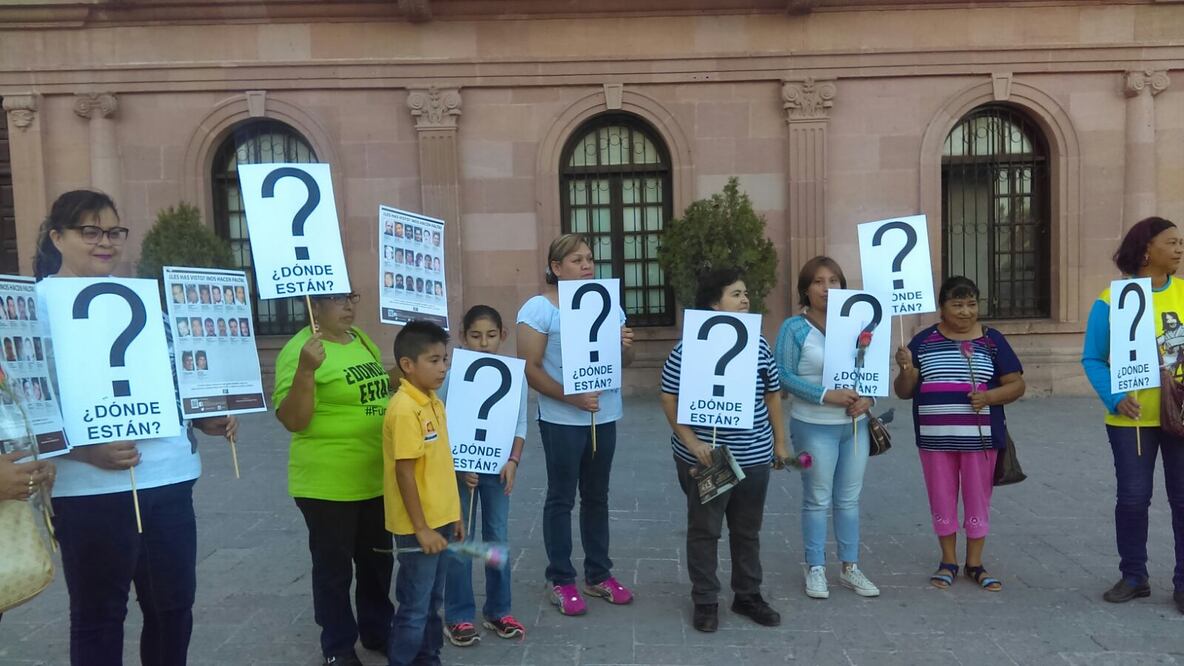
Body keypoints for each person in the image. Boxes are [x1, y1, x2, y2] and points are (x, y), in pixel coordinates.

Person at [33, 189, 237, 665]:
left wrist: (204, 416)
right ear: (57, 237)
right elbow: (25, 404)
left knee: (173, 610)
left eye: (114, 231)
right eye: (90, 231)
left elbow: (172, 378)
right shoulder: (35, 306)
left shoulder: (141, 299)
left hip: (167, 479)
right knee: (99, 615)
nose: (105, 242)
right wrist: (83, 452)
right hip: (89, 492)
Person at [661, 269, 788, 632]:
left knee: (747, 531)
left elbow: (772, 394)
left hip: (753, 456)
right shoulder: (687, 349)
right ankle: (705, 600)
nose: (745, 299)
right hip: (705, 459)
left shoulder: (760, 345)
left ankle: (748, 595)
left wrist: (779, 443)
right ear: (714, 303)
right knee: (705, 530)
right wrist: (693, 443)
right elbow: (668, 398)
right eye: (736, 294)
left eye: (746, 293)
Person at [516, 233, 635, 616]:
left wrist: (624, 347)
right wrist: (570, 397)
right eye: (576, 260)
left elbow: (624, 364)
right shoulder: (540, 309)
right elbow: (530, 369)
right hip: (562, 419)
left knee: (597, 496)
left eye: (589, 258)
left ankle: (598, 573)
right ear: (555, 267)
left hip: (606, 414)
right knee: (562, 496)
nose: (587, 265)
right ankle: (561, 579)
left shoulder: (606, 304)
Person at [275, 291, 394, 666]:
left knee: (378, 562)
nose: (349, 305)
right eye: (338, 299)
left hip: (374, 476)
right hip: (328, 483)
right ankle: (338, 645)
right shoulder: (299, 350)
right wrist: (307, 370)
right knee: (334, 568)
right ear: (313, 305)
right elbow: (293, 419)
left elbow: (375, 389)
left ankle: (378, 630)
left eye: (352, 296)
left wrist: (406, 371)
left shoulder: (360, 340)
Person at [895, 275, 1025, 592]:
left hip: (980, 441)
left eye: (971, 304)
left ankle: (975, 564)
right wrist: (906, 370)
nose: (966, 312)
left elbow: (1017, 384)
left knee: (977, 499)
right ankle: (948, 561)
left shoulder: (993, 341)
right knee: (941, 498)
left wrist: (990, 398)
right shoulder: (921, 342)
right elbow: (904, 391)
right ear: (942, 308)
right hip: (934, 441)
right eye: (957, 305)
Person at [1083, 216, 1184, 612]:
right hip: (1132, 421)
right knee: (1132, 499)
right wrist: (1115, 397)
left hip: (1181, 418)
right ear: (1146, 250)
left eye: (1180, 243)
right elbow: (1093, 358)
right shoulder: (1111, 299)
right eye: (1171, 242)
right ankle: (1133, 575)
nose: (1179, 249)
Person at [776, 256, 881, 600]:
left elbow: (870, 371)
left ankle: (850, 566)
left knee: (849, 499)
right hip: (814, 425)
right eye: (818, 281)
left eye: (833, 280)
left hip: (854, 425)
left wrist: (869, 399)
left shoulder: (860, 323)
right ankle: (815, 565)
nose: (826, 288)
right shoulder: (794, 328)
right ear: (805, 289)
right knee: (818, 498)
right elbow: (782, 376)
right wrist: (825, 395)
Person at [441, 306, 528, 647]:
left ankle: (498, 609)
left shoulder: (513, 374)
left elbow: (519, 423)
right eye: (476, 336)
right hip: (461, 470)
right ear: (464, 337)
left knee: (497, 538)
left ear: (502, 336)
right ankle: (458, 615)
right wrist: (459, 464)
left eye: (491, 335)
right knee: (462, 539)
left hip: (498, 467)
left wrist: (514, 461)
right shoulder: (452, 374)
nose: (484, 343)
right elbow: (442, 419)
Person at [383, 321, 461, 666]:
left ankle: (429, 658)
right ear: (407, 365)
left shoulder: (433, 402)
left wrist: (454, 514)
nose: (443, 367)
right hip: (419, 528)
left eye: (444, 358)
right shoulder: (404, 408)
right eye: (433, 360)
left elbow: (441, 466)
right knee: (415, 606)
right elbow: (405, 472)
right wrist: (422, 528)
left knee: (433, 601)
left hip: (441, 520)